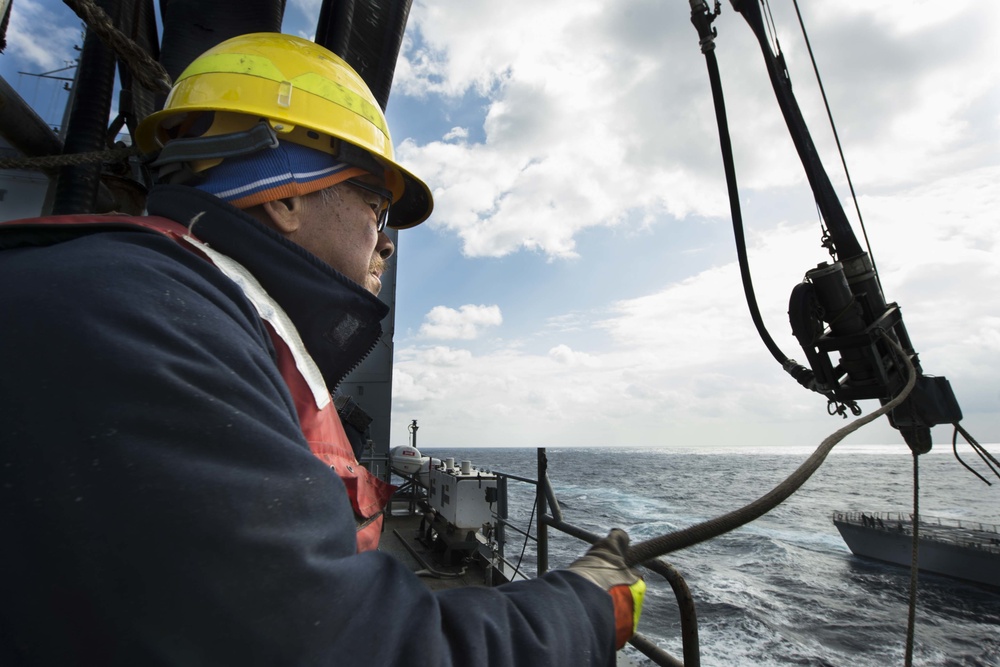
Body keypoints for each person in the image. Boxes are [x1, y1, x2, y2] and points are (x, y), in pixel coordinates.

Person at [0, 33, 643, 665]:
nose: (386, 243)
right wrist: (584, 606)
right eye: (376, 204)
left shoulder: (173, 306)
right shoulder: (141, 318)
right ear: (283, 194)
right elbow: (340, 647)